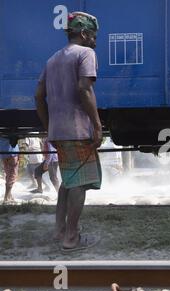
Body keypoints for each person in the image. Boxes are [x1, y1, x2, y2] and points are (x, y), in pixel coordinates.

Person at [35, 12, 102, 252]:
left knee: (68, 181)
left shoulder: (53, 59)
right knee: (79, 183)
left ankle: (59, 231)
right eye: (93, 36)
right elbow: (85, 89)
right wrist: (96, 124)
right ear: (84, 34)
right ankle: (71, 238)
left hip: (58, 131)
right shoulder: (86, 54)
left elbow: (38, 96)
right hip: (78, 130)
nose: (95, 41)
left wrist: (47, 126)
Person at [0, 137, 19, 203]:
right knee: (12, 176)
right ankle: (6, 197)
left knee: (8, 175)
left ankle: (9, 195)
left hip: (3, 153)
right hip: (12, 153)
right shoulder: (11, 128)